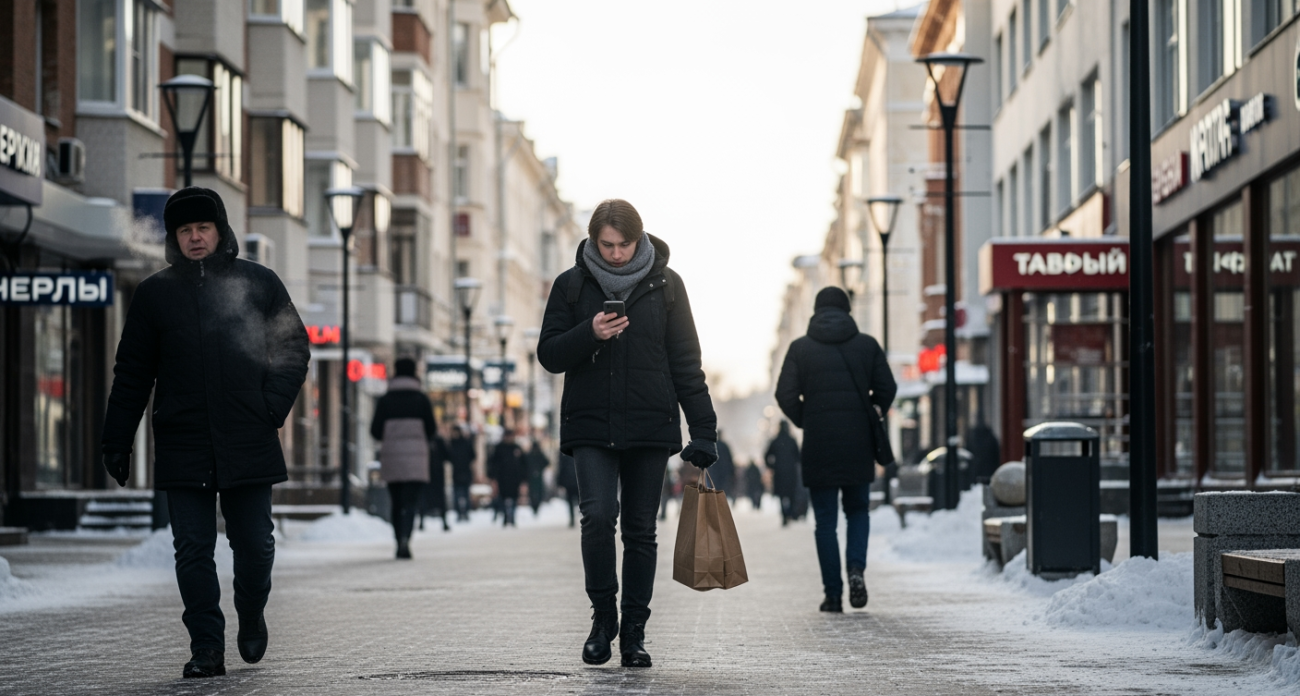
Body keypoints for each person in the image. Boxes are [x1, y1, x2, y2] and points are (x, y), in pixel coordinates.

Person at [100, 187, 309, 678]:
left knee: (255, 545)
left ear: (220, 232)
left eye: (203, 229)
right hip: (183, 440)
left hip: (248, 437)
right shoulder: (155, 294)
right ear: (174, 238)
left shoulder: (259, 283)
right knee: (192, 549)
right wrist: (116, 438)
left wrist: (270, 408)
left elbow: (293, 348)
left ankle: (252, 610)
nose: (195, 238)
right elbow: (132, 372)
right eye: (185, 231)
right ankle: (206, 646)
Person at [538, 198, 717, 669]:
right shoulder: (571, 285)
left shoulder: (668, 286)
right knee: (597, 518)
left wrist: (704, 431)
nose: (616, 254)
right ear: (595, 241)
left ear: (639, 239)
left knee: (640, 531)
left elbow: (686, 364)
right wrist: (589, 333)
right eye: (607, 245)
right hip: (592, 425)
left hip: (649, 426)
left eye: (624, 245)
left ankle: (634, 631)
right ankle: (603, 619)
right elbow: (549, 354)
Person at [776, 286, 897, 614]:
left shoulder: (800, 349)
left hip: (819, 445)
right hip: (858, 444)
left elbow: (784, 394)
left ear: (816, 311)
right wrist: (871, 411)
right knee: (858, 510)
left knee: (825, 522)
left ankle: (833, 595)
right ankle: (856, 567)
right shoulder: (867, 345)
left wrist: (808, 419)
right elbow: (888, 387)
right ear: (848, 310)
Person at [371, 358, 439, 558]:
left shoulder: (385, 401)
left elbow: (375, 431)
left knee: (397, 502)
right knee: (410, 503)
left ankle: (397, 538)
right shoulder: (422, 400)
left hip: (392, 458)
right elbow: (432, 430)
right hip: (416, 460)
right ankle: (405, 540)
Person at [765, 421, 801, 526]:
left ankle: (784, 514)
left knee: (781, 495)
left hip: (779, 472)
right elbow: (798, 456)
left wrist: (772, 466)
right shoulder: (792, 440)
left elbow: (767, 455)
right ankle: (789, 512)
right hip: (791, 472)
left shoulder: (775, 441)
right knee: (791, 494)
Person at [488, 432, 526, 527]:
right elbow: (493, 464)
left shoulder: (517, 448)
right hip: (502, 478)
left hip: (515, 478)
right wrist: (493, 477)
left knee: (514, 498)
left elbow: (524, 464)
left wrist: (524, 479)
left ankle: (512, 517)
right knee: (503, 498)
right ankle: (505, 517)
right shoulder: (499, 448)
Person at [447, 425, 476, 521]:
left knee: (465, 493)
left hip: (465, 471)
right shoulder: (452, 444)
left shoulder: (464, 443)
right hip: (457, 472)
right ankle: (459, 513)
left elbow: (472, 455)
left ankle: (466, 512)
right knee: (457, 494)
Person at [710, 431, 736, 503]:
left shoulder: (712, 446)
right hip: (724, 472)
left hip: (714, 473)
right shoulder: (725, 446)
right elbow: (730, 460)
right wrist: (732, 473)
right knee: (723, 490)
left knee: (715, 489)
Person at [526, 439, 550, 516]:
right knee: (535, 492)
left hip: (534, 477)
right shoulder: (537, 455)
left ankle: (535, 507)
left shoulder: (533, 455)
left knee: (535, 492)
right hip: (534, 477)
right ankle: (535, 507)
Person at [556, 451, 580, 527]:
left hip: (569, 480)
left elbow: (561, 467)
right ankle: (583, 516)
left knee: (570, 501)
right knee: (581, 499)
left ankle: (572, 518)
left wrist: (559, 482)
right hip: (577, 479)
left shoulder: (563, 451)